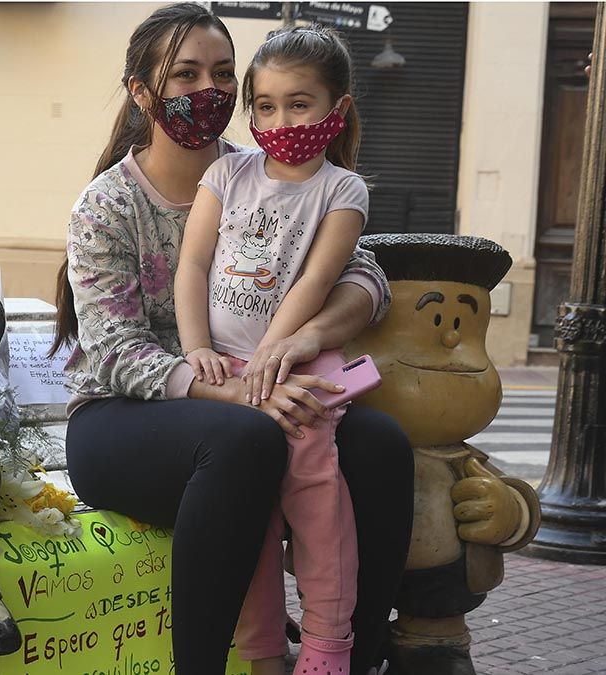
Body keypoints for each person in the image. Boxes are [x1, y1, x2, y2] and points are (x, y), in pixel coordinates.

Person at [51, 5, 413, 674]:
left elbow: (364, 275)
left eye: (222, 73)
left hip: (261, 389)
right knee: (246, 441)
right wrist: (245, 393)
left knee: (380, 444)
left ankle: (349, 658)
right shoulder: (107, 206)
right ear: (141, 92)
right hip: (121, 417)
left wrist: (297, 344)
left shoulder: (267, 171)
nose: (207, 91)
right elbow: (114, 353)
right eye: (184, 75)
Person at [176, 25, 369, 674]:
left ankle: (326, 644)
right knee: (248, 517)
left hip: (296, 371)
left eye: (298, 103)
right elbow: (193, 265)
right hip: (227, 373)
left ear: (336, 109)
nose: (279, 118)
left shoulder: (342, 191)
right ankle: (261, 652)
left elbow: (319, 279)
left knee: (317, 505)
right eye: (264, 104)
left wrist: (275, 350)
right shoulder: (226, 173)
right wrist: (197, 347)